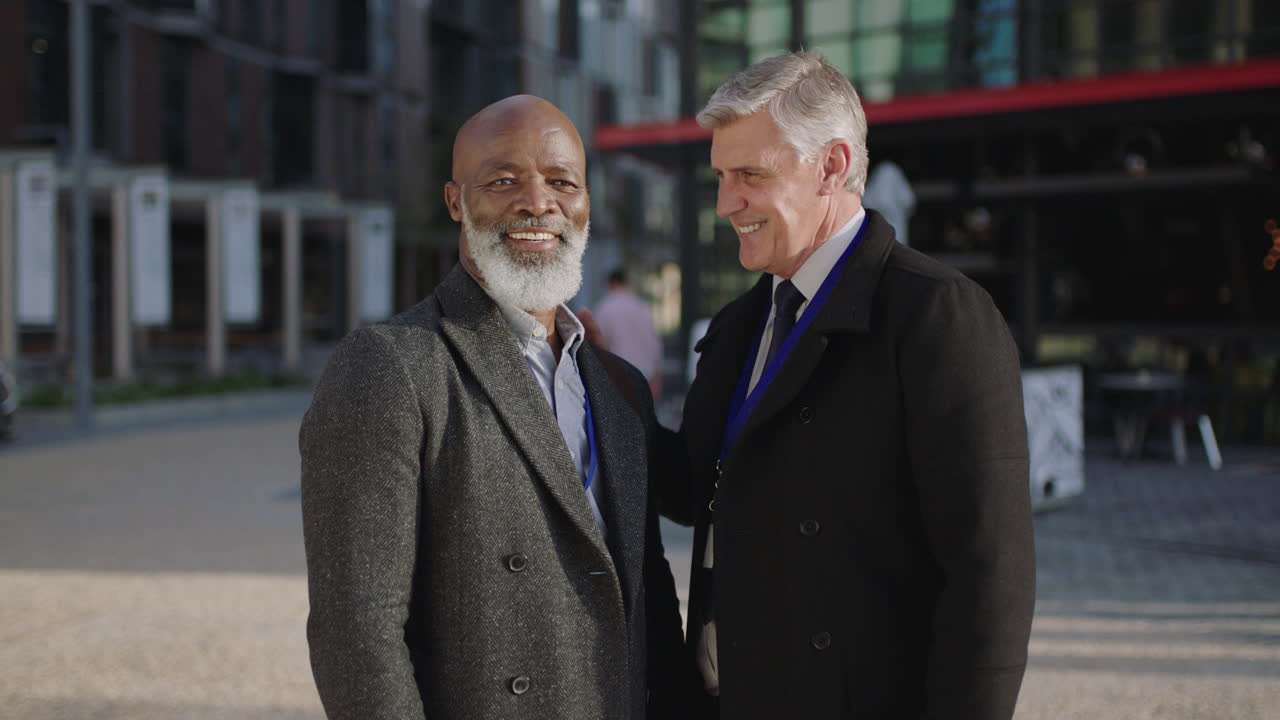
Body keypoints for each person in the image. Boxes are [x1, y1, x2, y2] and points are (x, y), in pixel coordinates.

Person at [665, 51, 1035, 719]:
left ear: (832, 166)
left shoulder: (936, 313)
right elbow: (686, 488)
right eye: (720, 177)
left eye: (749, 174)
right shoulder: (739, 324)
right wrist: (578, 376)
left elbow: (990, 580)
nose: (726, 204)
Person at [299, 95, 685, 720]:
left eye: (563, 182)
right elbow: (357, 632)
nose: (538, 202)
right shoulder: (393, 365)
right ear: (456, 201)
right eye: (504, 180)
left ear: (587, 203)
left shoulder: (620, 387)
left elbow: (653, 602)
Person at [592, 269, 663, 401]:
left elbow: (598, 343)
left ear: (611, 283)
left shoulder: (604, 308)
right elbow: (654, 344)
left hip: (617, 374)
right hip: (644, 374)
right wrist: (657, 374)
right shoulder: (642, 307)